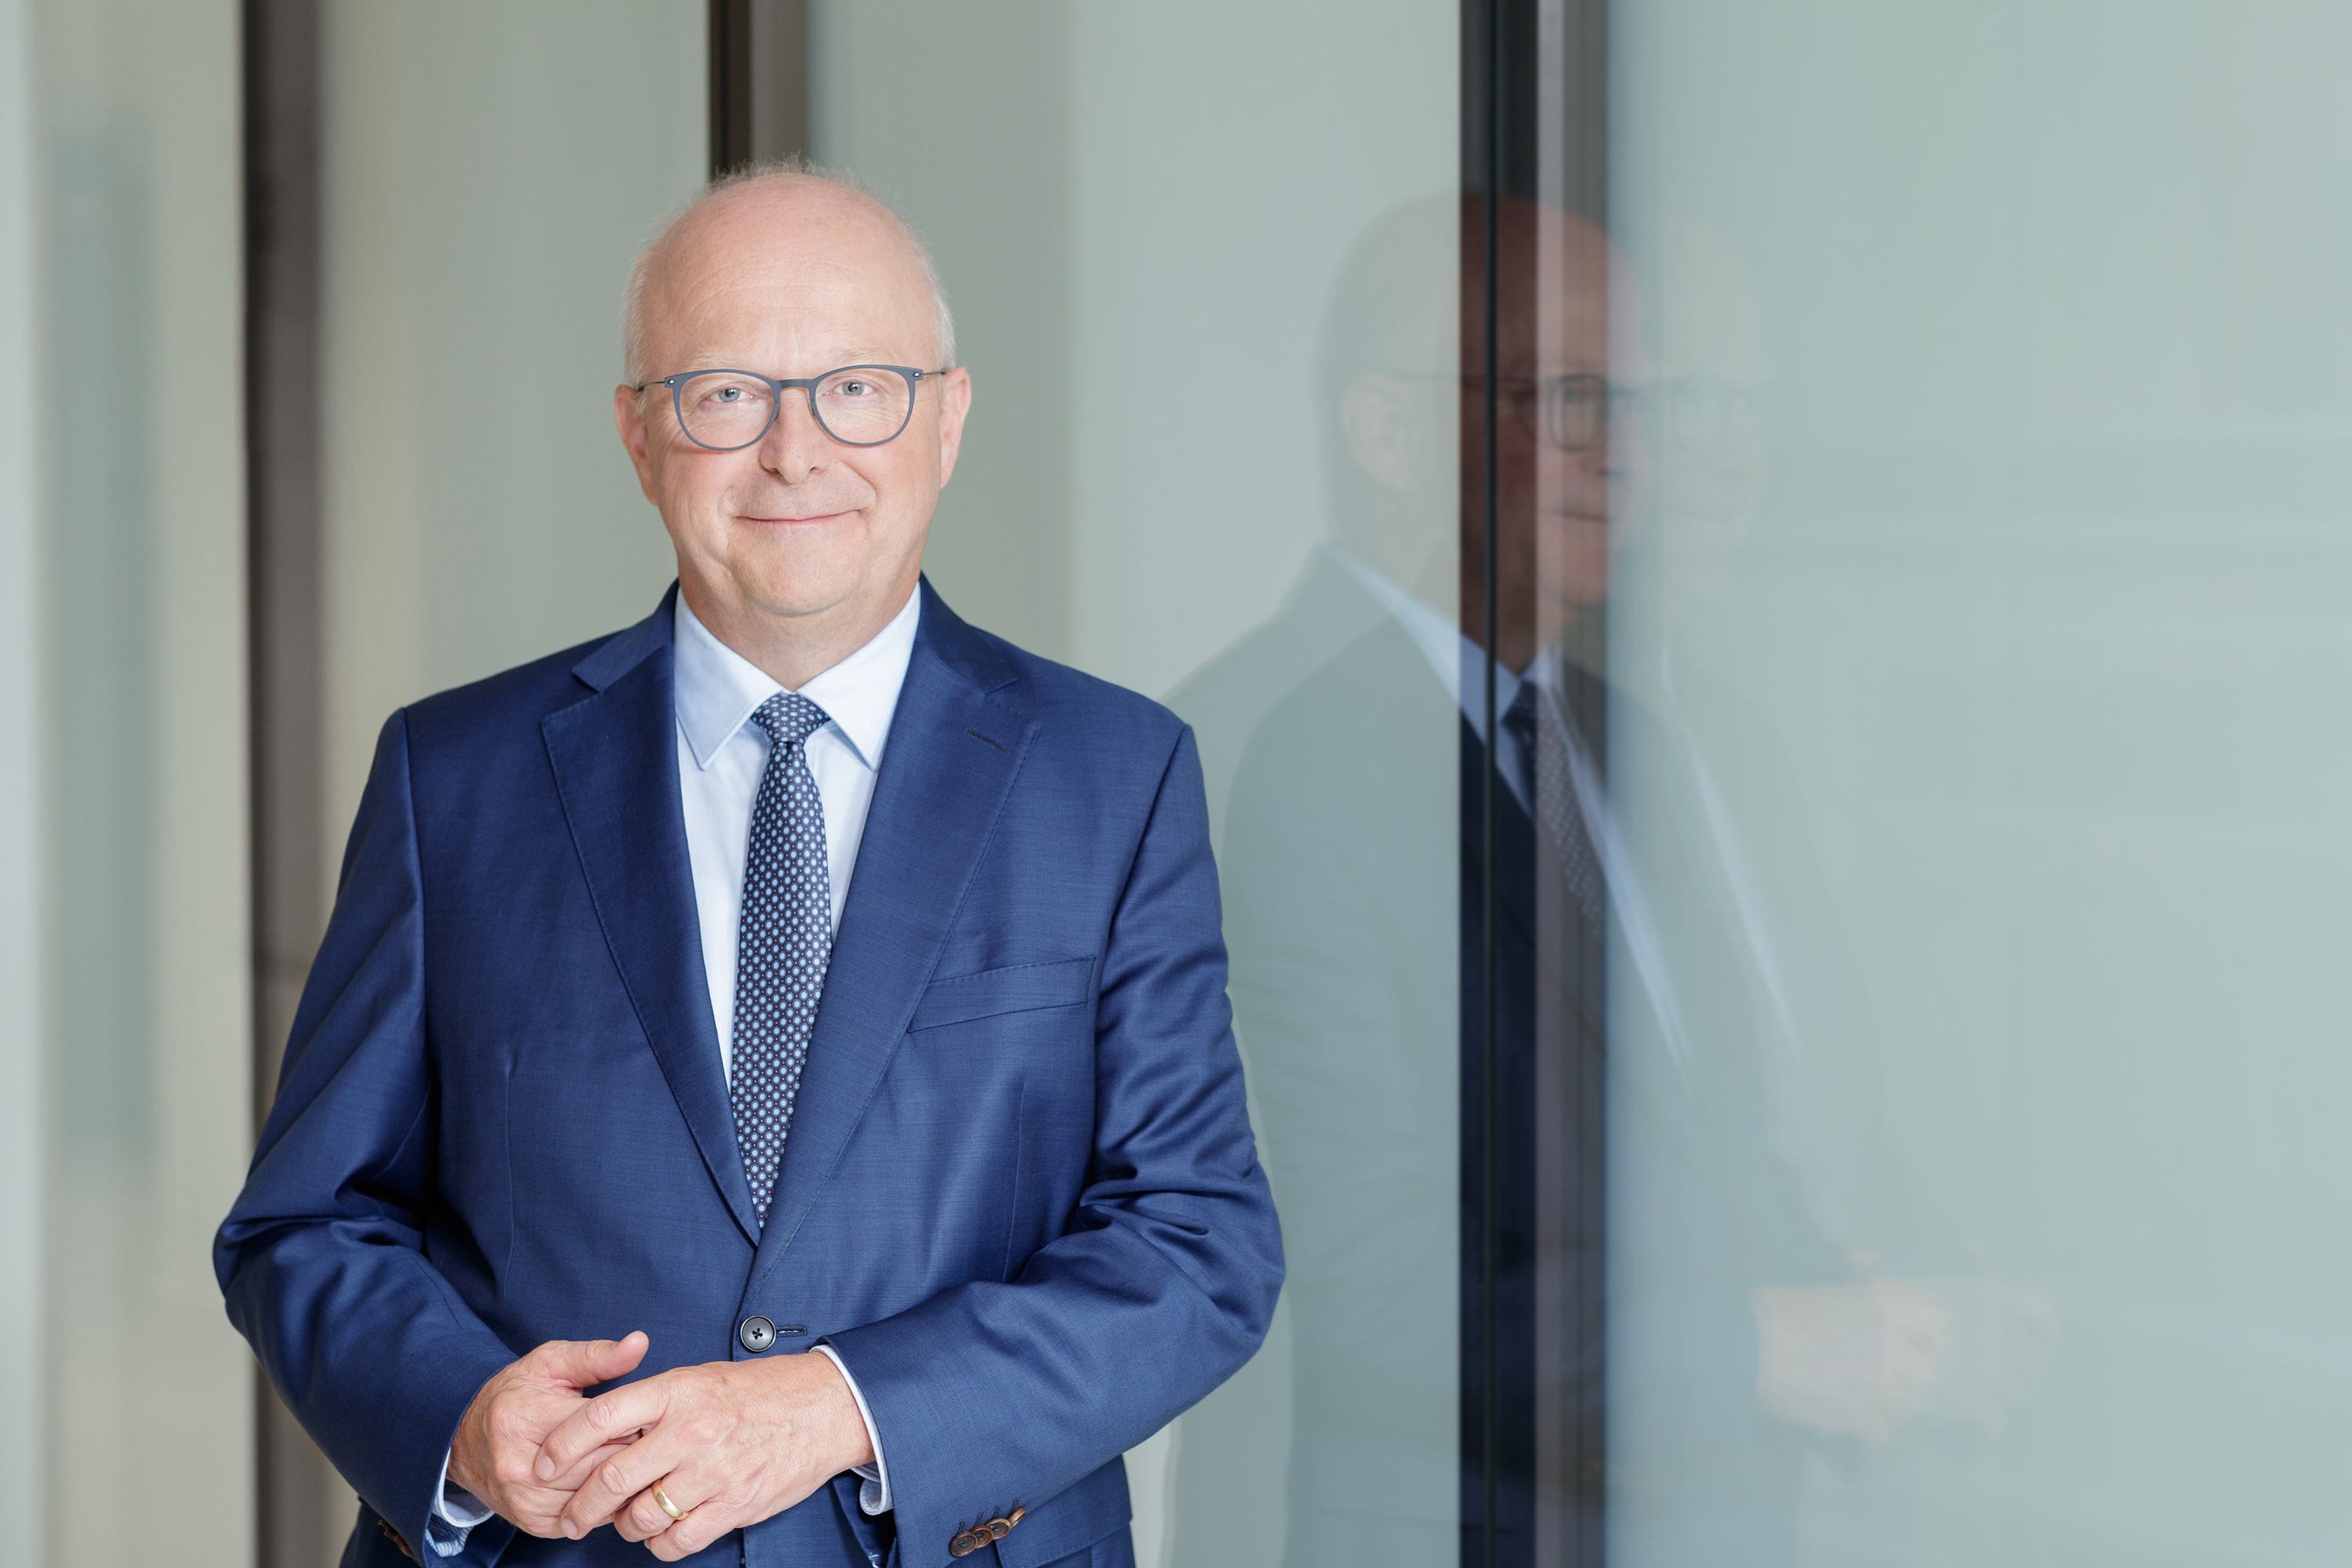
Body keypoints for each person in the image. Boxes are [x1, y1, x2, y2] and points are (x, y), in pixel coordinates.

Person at [215, 165, 1283, 1568]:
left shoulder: (1115, 775)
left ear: (949, 419)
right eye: (725, 394)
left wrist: (841, 1407)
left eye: (859, 389)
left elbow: (1196, 1244)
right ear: (638, 432)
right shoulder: (453, 778)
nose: (794, 452)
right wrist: (458, 1421)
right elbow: (305, 1221)